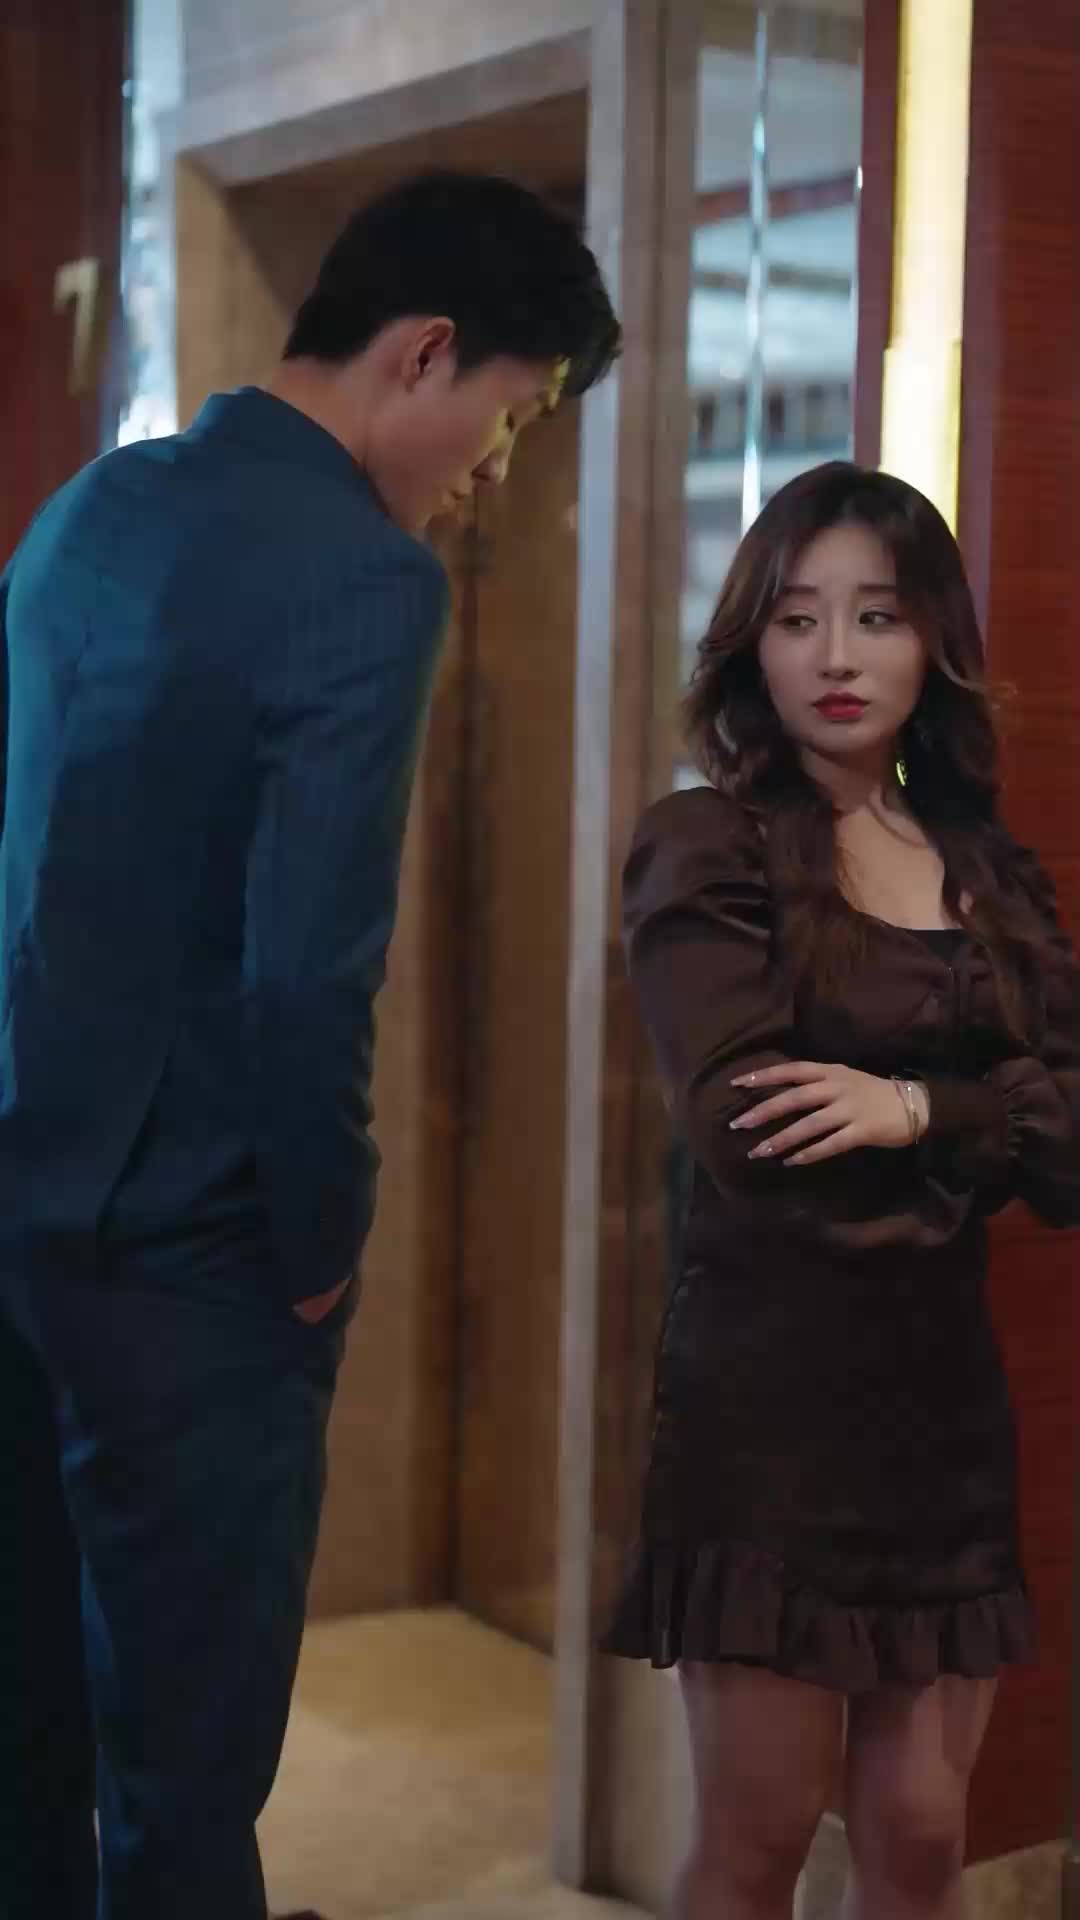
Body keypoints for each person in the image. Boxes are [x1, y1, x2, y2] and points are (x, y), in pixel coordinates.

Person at [0, 169, 620, 1920]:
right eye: (510, 423)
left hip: (21, 1206)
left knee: (31, 1743)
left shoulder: (90, 508)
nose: (492, 475)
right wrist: (322, 1238)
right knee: (187, 1784)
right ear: (424, 353)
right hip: (196, 1254)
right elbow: (307, 976)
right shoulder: (364, 576)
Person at [603, 462, 1080, 1920]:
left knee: (924, 1835)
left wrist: (911, 1106)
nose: (835, 655)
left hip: (943, 1415)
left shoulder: (990, 870)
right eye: (797, 617)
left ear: (931, 640)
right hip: (771, 1416)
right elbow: (746, 1127)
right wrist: (989, 1118)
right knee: (757, 1842)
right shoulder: (707, 843)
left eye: (876, 616)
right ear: (752, 640)